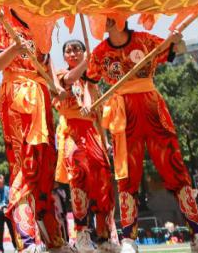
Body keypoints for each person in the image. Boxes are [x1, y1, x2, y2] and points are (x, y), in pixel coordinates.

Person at [84, 19, 198, 253]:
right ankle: (128, 239)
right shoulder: (99, 53)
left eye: (106, 15)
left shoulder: (145, 40)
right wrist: (90, 105)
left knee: (175, 169)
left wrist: (177, 41)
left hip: (152, 108)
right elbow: (90, 84)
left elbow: (176, 49)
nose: (101, 20)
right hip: (123, 114)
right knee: (127, 176)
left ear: (119, 16)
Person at [0, 11, 64, 252]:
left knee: (45, 167)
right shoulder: (2, 24)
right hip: (18, 95)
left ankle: (53, 240)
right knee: (25, 166)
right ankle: (27, 240)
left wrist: (57, 86)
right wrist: (14, 49)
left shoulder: (41, 25)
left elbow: (46, 61)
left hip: (41, 97)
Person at [53, 39, 115, 253]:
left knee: (103, 182)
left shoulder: (92, 82)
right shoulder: (60, 75)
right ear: (64, 57)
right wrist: (86, 62)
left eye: (76, 49)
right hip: (72, 131)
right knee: (78, 178)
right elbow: (69, 80)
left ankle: (105, 236)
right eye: (68, 51)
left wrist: (105, 142)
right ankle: (82, 234)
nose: (72, 53)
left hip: (92, 134)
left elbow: (97, 116)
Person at [0, 175, 18, 253]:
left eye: (1, 182)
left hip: (8, 212)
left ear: (3, 181)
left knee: (12, 230)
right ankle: (0, 248)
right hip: (0, 213)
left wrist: (9, 206)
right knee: (0, 232)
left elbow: (12, 198)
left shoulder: (8, 189)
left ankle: (16, 246)